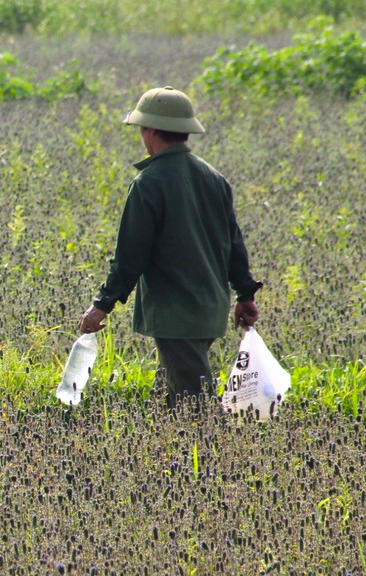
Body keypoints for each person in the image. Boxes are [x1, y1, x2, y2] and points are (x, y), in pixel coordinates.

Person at [76, 86, 262, 406]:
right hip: (209, 309)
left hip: (176, 315)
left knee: (194, 405)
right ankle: (169, 453)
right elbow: (234, 245)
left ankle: (214, 454)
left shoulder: (149, 183)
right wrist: (244, 295)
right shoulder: (213, 178)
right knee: (168, 399)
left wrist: (100, 306)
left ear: (149, 131)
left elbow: (129, 258)